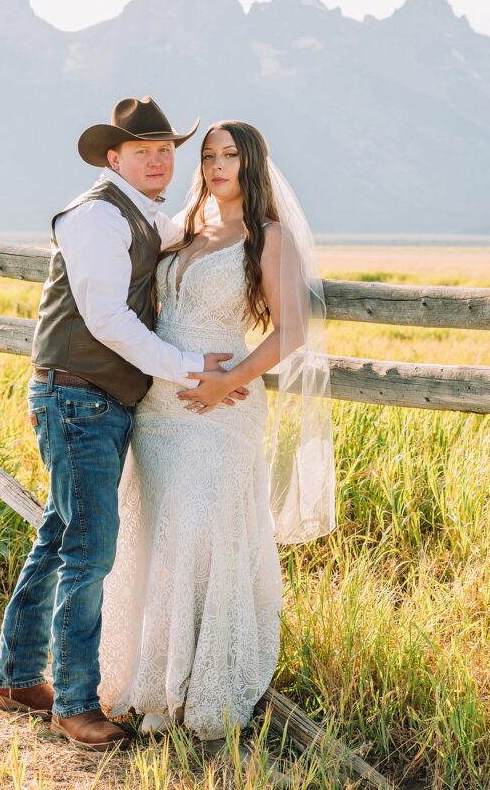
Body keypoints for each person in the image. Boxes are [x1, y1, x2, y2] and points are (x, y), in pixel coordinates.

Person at [0, 97, 247, 752]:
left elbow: (187, 244)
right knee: (90, 548)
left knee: (61, 534)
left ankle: (16, 677)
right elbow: (105, 319)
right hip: (78, 397)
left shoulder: (141, 213)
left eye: (166, 150)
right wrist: (191, 365)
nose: (160, 160)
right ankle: (75, 704)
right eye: (144, 151)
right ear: (114, 157)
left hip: (94, 399)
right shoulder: (97, 217)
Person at [99, 120, 335, 741]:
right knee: (155, 535)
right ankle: (152, 686)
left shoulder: (268, 236)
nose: (216, 164)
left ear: (252, 163)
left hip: (221, 406)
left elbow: (292, 331)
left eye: (230, 154)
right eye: (208, 155)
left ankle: (201, 684)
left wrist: (227, 384)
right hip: (159, 408)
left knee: (201, 530)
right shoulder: (181, 230)